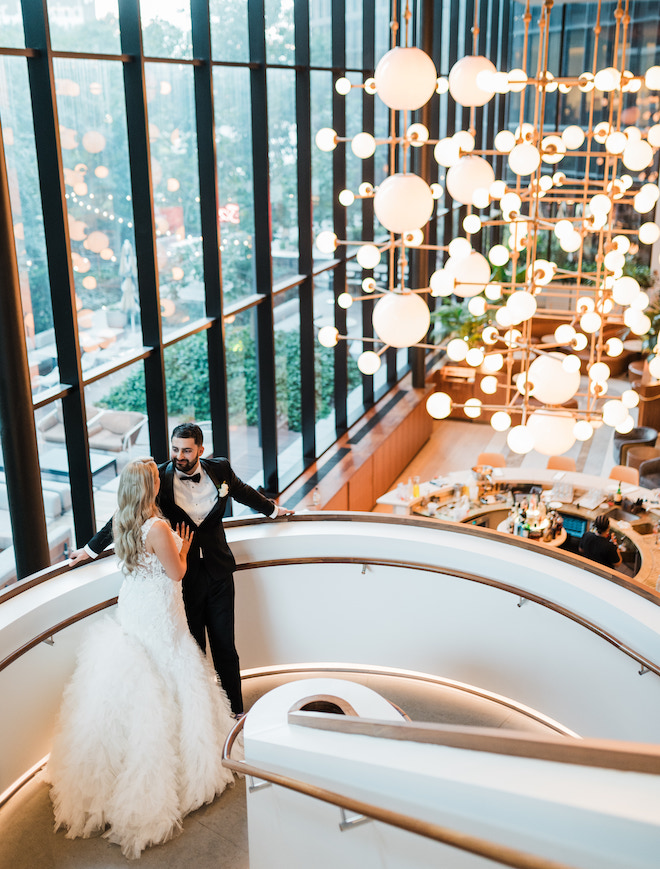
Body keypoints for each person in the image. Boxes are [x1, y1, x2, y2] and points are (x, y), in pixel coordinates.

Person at [47, 459, 237, 859]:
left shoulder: (124, 521)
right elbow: (177, 573)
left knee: (138, 684)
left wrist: (85, 551)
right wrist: (183, 547)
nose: (160, 481)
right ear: (150, 487)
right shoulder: (157, 528)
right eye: (156, 479)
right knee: (175, 671)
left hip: (134, 611)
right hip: (163, 617)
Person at [70, 423, 294, 715]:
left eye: (187, 450)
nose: (179, 455)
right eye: (175, 449)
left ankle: (237, 712)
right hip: (183, 579)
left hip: (218, 572)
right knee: (194, 648)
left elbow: (243, 492)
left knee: (226, 646)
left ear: (201, 450)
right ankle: (205, 714)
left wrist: (274, 510)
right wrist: (89, 550)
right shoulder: (158, 478)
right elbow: (126, 511)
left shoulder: (220, 470)